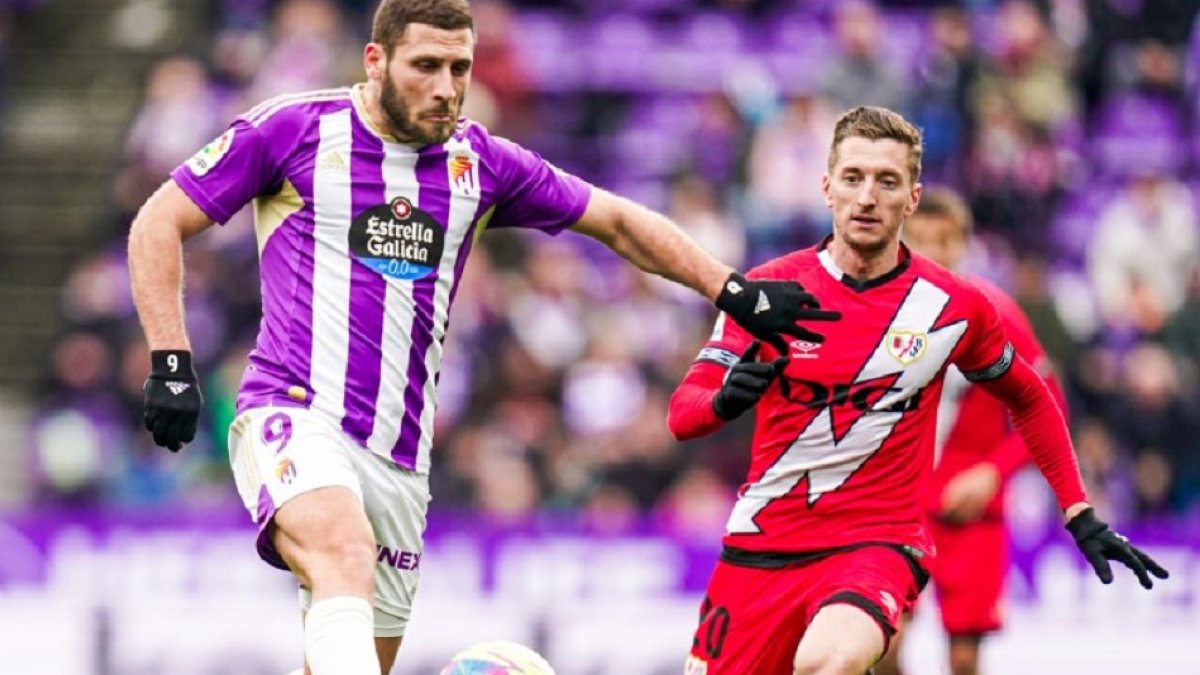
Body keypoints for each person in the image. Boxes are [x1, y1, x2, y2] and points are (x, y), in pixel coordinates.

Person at [126, 2, 838, 674]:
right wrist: (171, 359)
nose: (447, 87)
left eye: (460, 68)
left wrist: (732, 289)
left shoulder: (481, 163)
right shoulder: (294, 130)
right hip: (293, 410)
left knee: (344, 653)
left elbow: (617, 221)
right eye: (426, 66)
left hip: (401, 460)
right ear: (375, 60)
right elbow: (159, 221)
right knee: (343, 550)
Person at [668, 106, 1168, 675]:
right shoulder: (766, 291)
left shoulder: (958, 307)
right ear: (826, 186)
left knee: (828, 663)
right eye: (853, 178)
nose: (867, 197)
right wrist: (724, 400)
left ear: (912, 196)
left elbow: (1032, 396)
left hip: (875, 545)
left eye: (888, 181)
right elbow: (682, 417)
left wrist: (1079, 511)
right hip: (759, 547)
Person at [874, 188, 1065, 675]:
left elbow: (1047, 408)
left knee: (963, 660)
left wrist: (992, 474)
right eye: (919, 239)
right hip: (897, 506)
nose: (932, 252)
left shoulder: (995, 311)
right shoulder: (877, 313)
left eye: (944, 239)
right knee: (882, 644)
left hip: (971, 508)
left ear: (964, 242)